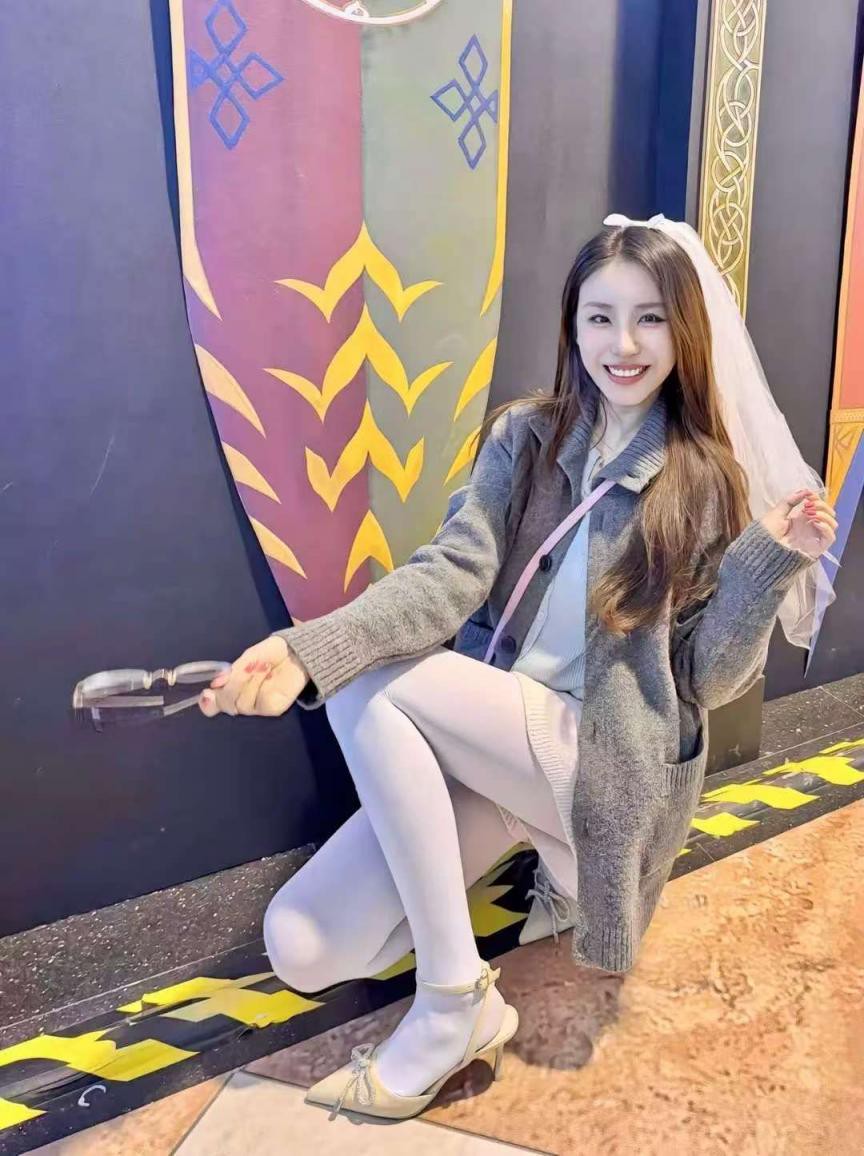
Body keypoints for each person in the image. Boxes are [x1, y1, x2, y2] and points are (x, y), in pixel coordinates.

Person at [198, 215, 838, 1120]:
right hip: (496, 746)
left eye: (650, 319)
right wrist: (304, 648)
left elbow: (705, 681)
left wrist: (769, 564)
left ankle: (449, 1003)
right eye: (600, 317)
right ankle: (460, 981)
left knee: (362, 675)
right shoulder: (526, 438)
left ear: (683, 330)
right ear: (572, 325)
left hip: (605, 765)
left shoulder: (704, 481)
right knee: (302, 945)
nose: (623, 345)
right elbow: (447, 576)